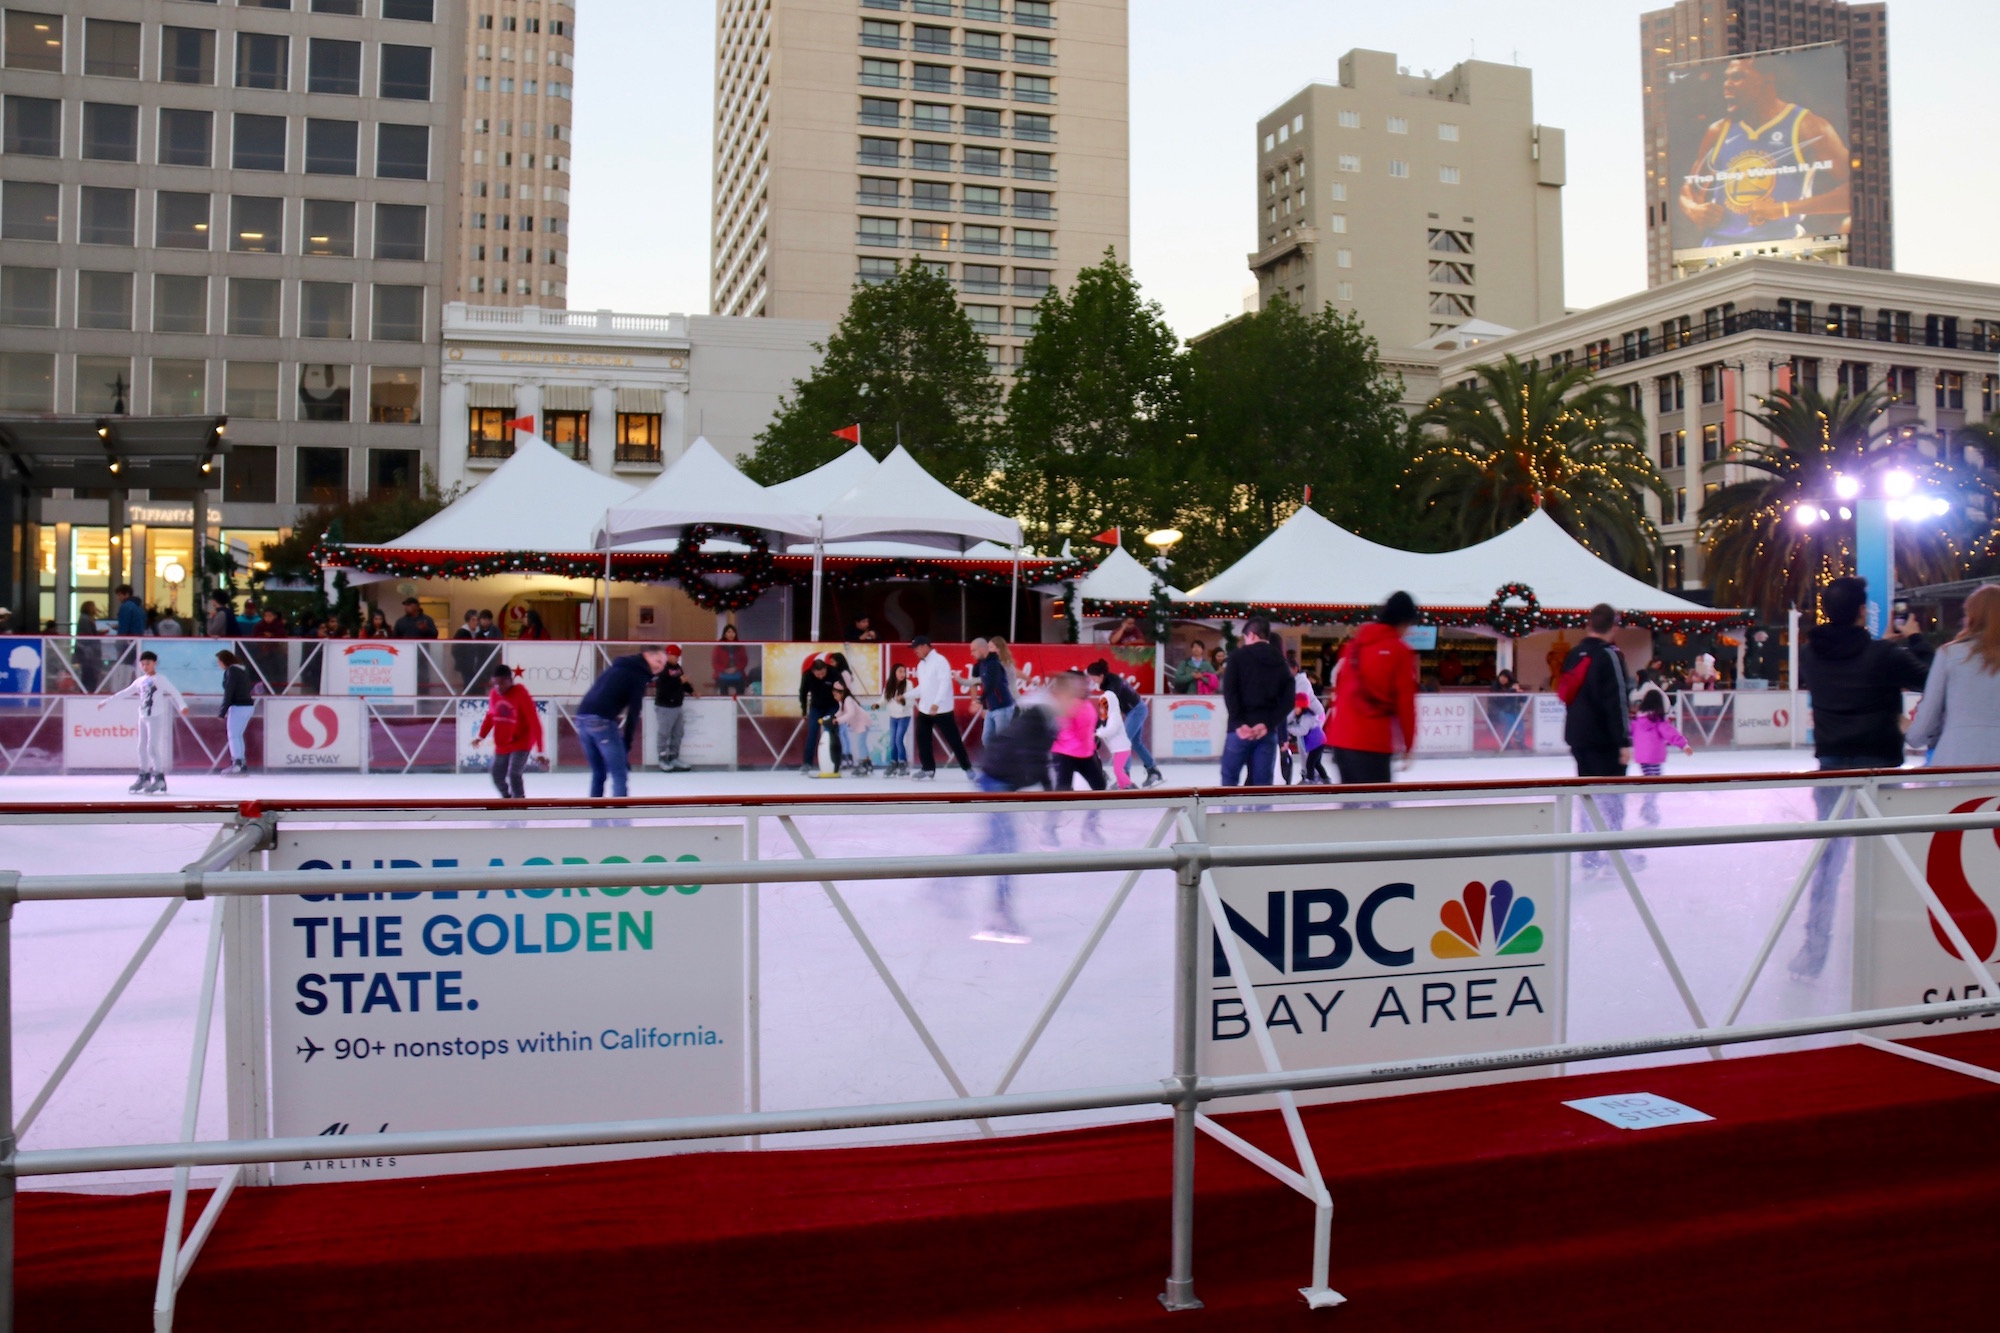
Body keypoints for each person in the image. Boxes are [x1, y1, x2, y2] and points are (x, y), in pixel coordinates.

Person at [1792, 576, 1934, 978]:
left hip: (1833, 767)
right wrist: (1912, 639)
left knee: (1829, 863)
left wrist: (1885, 646)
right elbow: (1929, 677)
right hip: (1879, 769)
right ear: (1860, 612)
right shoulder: (1884, 655)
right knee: (1888, 860)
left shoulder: (1810, 654)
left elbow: (1850, 652)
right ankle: (1890, 955)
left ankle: (1813, 952)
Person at [1676, 54, 1852, 251]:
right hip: (1720, 251)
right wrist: (1694, 210)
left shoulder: (1807, 126)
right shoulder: (1717, 131)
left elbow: (1853, 192)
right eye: (1726, 78)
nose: (1727, 85)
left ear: (1767, 79)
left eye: (1738, 77)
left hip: (1781, 250)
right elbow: (1689, 190)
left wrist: (1785, 208)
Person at [969, 679, 1067, 944]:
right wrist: (1048, 791)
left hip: (998, 778)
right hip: (996, 781)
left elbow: (1039, 760)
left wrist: (1049, 792)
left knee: (993, 843)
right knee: (1004, 846)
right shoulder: (1040, 718)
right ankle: (999, 914)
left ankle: (943, 883)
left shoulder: (1042, 717)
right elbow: (1033, 758)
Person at [1558, 603, 1634, 878]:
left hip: (1579, 738)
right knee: (1613, 799)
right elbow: (1617, 702)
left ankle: (1589, 854)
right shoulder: (1609, 656)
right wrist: (1624, 741)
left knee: (1588, 796)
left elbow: (1566, 694)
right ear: (1613, 627)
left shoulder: (1574, 654)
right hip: (1605, 741)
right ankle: (1615, 853)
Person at [1326, 593, 1421, 786]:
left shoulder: (1353, 646)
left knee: (1352, 809)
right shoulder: (1400, 651)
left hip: (1341, 740)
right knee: (1378, 811)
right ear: (1404, 621)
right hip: (1372, 741)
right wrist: (1409, 744)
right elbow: (1405, 704)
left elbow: (1341, 689)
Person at [1907, 584, 2000, 766]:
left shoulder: (1950, 654)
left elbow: (1926, 722)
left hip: (1957, 760)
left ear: (1973, 616)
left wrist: (1910, 733)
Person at [574, 645, 664, 798]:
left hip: (582, 718)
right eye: (658, 661)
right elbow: (634, 711)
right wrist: (626, 744)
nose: (660, 667)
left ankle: (595, 810)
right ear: (647, 656)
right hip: (602, 720)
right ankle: (620, 814)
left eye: (663, 663)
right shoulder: (638, 674)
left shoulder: (620, 666)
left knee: (599, 771)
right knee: (619, 773)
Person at [101, 650, 188, 794]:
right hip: (143, 716)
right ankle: (144, 776)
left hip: (155, 716)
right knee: (141, 747)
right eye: (142, 664)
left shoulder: (160, 679)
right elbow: (125, 692)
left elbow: (174, 692)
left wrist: (182, 706)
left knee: (152, 748)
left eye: (148, 663)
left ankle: (159, 778)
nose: (145, 666)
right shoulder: (140, 681)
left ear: (154, 663)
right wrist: (107, 701)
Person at [1219, 616, 1293, 787]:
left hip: (1238, 732)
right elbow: (1288, 700)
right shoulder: (1280, 662)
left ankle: (1228, 813)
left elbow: (1230, 692)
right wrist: (1267, 724)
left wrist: (1239, 723)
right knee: (1262, 784)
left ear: (1251, 635)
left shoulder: (1237, 657)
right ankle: (1260, 813)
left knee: (1229, 779)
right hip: (1266, 732)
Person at [1087, 659, 1162, 787]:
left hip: (1136, 710)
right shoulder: (1109, 681)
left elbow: (1108, 708)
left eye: (1093, 677)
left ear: (1100, 675)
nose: (1092, 680)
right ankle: (1153, 770)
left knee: (1124, 741)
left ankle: (1124, 775)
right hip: (1135, 710)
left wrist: (1100, 728)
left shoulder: (1112, 684)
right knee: (1135, 742)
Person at [476, 664, 544, 799]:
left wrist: (540, 750)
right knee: (496, 774)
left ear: (510, 681)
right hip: (503, 742)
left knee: (514, 773)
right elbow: (491, 716)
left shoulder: (521, 694)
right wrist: (481, 735)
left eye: (501, 683)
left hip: (522, 741)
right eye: (495, 683)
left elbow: (534, 722)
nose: (498, 687)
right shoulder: (494, 695)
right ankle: (507, 799)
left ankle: (519, 803)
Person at [911, 636, 972, 779]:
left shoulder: (940, 661)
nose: (915, 651)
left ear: (925, 646)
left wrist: (936, 703)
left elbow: (945, 684)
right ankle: (928, 769)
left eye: (917, 647)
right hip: (925, 709)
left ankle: (967, 768)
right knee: (923, 739)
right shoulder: (921, 665)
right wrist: (906, 695)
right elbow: (923, 688)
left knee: (953, 740)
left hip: (942, 710)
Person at [1631, 693, 1693, 830]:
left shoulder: (1637, 722)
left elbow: (1627, 732)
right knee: (1655, 784)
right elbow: (1671, 734)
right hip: (1654, 757)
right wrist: (1684, 745)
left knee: (1650, 782)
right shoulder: (1658, 722)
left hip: (1643, 759)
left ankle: (1648, 809)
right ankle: (1649, 810)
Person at [1049, 670, 1108, 793]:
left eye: (1086, 684)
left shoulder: (1086, 704)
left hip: (1086, 754)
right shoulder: (1067, 704)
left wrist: (1094, 740)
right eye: (1081, 685)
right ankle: (1055, 810)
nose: (1086, 687)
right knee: (1062, 791)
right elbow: (1061, 728)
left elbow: (1090, 725)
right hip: (1065, 754)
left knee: (1100, 786)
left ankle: (1094, 812)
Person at [653, 643, 695, 772]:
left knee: (678, 733)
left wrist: (691, 691)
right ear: (669, 654)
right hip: (665, 706)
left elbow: (683, 682)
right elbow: (663, 686)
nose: (677, 658)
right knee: (664, 733)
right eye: (675, 655)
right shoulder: (661, 667)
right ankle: (662, 759)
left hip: (677, 705)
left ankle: (673, 757)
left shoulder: (677, 667)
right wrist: (679, 682)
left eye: (678, 656)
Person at [798, 655, 843, 774]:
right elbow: (802, 693)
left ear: (826, 669)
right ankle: (807, 763)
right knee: (812, 734)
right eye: (818, 674)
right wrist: (804, 710)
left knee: (831, 733)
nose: (821, 676)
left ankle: (835, 760)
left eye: (823, 673)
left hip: (832, 706)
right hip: (816, 707)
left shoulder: (833, 673)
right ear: (813, 672)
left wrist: (842, 709)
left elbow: (843, 690)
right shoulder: (807, 676)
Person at [216, 649, 257, 775]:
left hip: (238, 706)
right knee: (237, 735)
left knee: (233, 735)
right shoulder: (241, 670)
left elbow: (229, 691)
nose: (218, 664)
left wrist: (222, 712)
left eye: (219, 661)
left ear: (224, 661)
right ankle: (241, 763)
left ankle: (237, 764)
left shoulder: (231, 671)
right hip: (248, 706)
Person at [972, 636, 1018, 738]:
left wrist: (981, 702)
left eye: (991, 647)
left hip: (1007, 701)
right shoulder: (989, 664)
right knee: (989, 737)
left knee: (1001, 737)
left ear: (999, 649)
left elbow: (992, 684)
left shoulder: (998, 664)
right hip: (997, 703)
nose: (988, 649)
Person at [833, 682, 875, 776]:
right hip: (861, 723)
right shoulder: (843, 701)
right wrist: (833, 717)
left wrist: (838, 720)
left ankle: (863, 764)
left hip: (863, 723)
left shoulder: (848, 700)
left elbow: (850, 714)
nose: (835, 697)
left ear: (842, 693)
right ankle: (868, 763)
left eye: (836, 695)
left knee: (861, 744)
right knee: (862, 743)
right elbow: (841, 712)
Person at [1096, 683, 1133, 788]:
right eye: (1101, 705)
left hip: (1122, 748)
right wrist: (1098, 731)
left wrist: (1099, 733)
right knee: (1117, 770)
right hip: (1119, 748)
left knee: (1117, 770)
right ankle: (1122, 788)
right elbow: (1106, 729)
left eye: (1105, 705)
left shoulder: (1114, 716)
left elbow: (1111, 730)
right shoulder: (1109, 717)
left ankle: (1130, 786)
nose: (1102, 708)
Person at [881, 662, 913, 776]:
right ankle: (893, 763)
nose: (902, 674)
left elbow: (911, 700)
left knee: (899, 739)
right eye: (900, 671)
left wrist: (904, 702)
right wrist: (877, 704)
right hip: (893, 716)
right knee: (892, 741)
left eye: (904, 671)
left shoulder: (908, 684)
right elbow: (884, 699)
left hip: (904, 716)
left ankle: (903, 763)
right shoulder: (890, 684)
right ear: (894, 672)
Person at [712, 624, 750, 697]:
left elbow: (744, 661)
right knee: (723, 690)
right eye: (729, 632)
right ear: (725, 634)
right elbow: (715, 662)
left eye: (733, 632)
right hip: (722, 675)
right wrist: (724, 670)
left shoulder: (740, 646)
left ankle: (738, 706)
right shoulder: (718, 646)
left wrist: (736, 668)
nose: (731, 634)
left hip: (737, 675)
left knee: (741, 690)